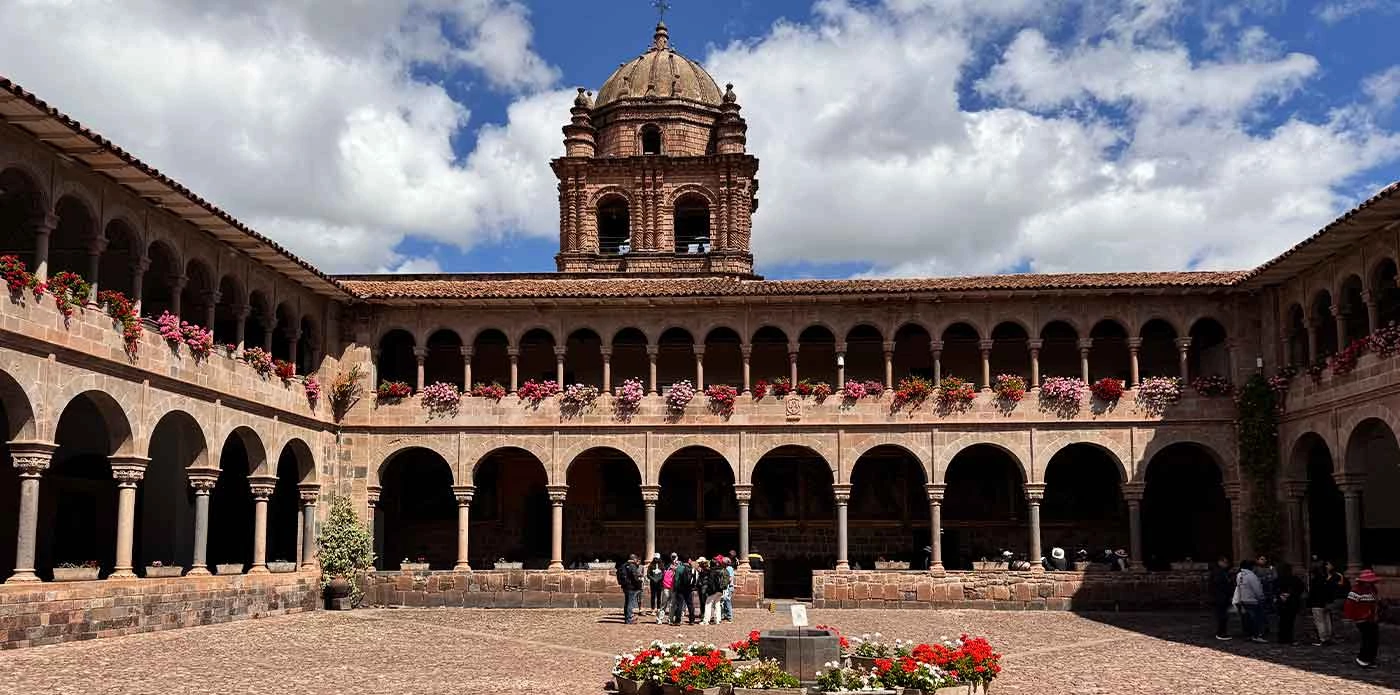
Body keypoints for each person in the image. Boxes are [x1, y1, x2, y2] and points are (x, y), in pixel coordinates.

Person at [1343, 568, 1382, 668]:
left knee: (1374, 639)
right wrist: (1350, 618)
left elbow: (1375, 603)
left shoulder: (1373, 590)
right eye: (1367, 582)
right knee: (1367, 639)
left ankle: (1370, 659)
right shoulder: (1355, 591)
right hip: (1361, 619)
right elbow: (1349, 605)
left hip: (1372, 619)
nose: (1369, 583)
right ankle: (1363, 659)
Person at [1234, 559, 1266, 642]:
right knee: (1256, 618)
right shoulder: (1252, 576)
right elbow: (1257, 589)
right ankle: (1256, 635)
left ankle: (1248, 634)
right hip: (1252, 599)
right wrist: (1261, 597)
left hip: (1243, 599)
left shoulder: (1239, 575)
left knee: (1246, 618)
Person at [1275, 562, 1304, 645]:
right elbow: (1300, 588)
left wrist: (1280, 595)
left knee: (1282, 620)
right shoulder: (1295, 579)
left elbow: (1275, 588)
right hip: (1292, 602)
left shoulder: (1278, 579)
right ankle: (1289, 638)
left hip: (1282, 601)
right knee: (1290, 621)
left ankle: (1282, 638)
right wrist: (1290, 595)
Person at [1307, 560, 1335, 646]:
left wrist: (1309, 603)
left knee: (1320, 622)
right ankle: (1328, 637)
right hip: (1325, 602)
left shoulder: (1315, 581)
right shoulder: (1325, 579)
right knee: (1327, 620)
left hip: (1317, 603)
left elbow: (1312, 593)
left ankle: (1323, 639)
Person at [1210, 556, 1235, 641]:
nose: (1226, 564)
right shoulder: (1218, 572)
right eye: (1225, 562)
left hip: (1222, 597)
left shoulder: (1223, 572)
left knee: (1224, 616)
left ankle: (1222, 632)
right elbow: (1220, 585)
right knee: (1222, 616)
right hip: (1220, 597)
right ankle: (1221, 633)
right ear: (1220, 562)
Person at [700, 558, 728, 625]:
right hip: (720, 590)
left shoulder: (712, 571)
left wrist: (710, 591)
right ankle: (717, 620)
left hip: (713, 590)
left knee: (708, 604)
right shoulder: (722, 570)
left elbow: (711, 582)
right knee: (717, 604)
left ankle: (706, 621)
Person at [618, 554, 644, 624]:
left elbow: (618, 574)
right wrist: (639, 582)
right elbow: (634, 577)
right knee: (630, 603)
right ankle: (629, 619)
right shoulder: (632, 566)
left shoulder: (623, 565)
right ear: (634, 559)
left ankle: (627, 617)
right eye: (636, 559)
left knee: (627, 602)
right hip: (632, 587)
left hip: (625, 586)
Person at [672, 557, 698, 625]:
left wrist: (675, 588)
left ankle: (678, 620)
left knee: (680, 604)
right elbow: (695, 580)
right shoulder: (692, 569)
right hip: (689, 589)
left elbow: (676, 580)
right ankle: (692, 620)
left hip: (680, 589)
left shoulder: (679, 568)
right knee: (690, 604)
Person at [657, 558, 676, 625]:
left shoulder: (665, 571)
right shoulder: (674, 572)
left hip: (666, 588)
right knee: (671, 605)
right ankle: (670, 620)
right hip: (671, 589)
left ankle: (660, 619)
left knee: (663, 605)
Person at [721, 556, 736, 623]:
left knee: (727, 601)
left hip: (729, 587)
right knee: (724, 602)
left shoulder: (729, 568)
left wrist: (724, 583)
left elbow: (730, 579)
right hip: (726, 587)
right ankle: (724, 615)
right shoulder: (725, 568)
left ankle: (730, 617)